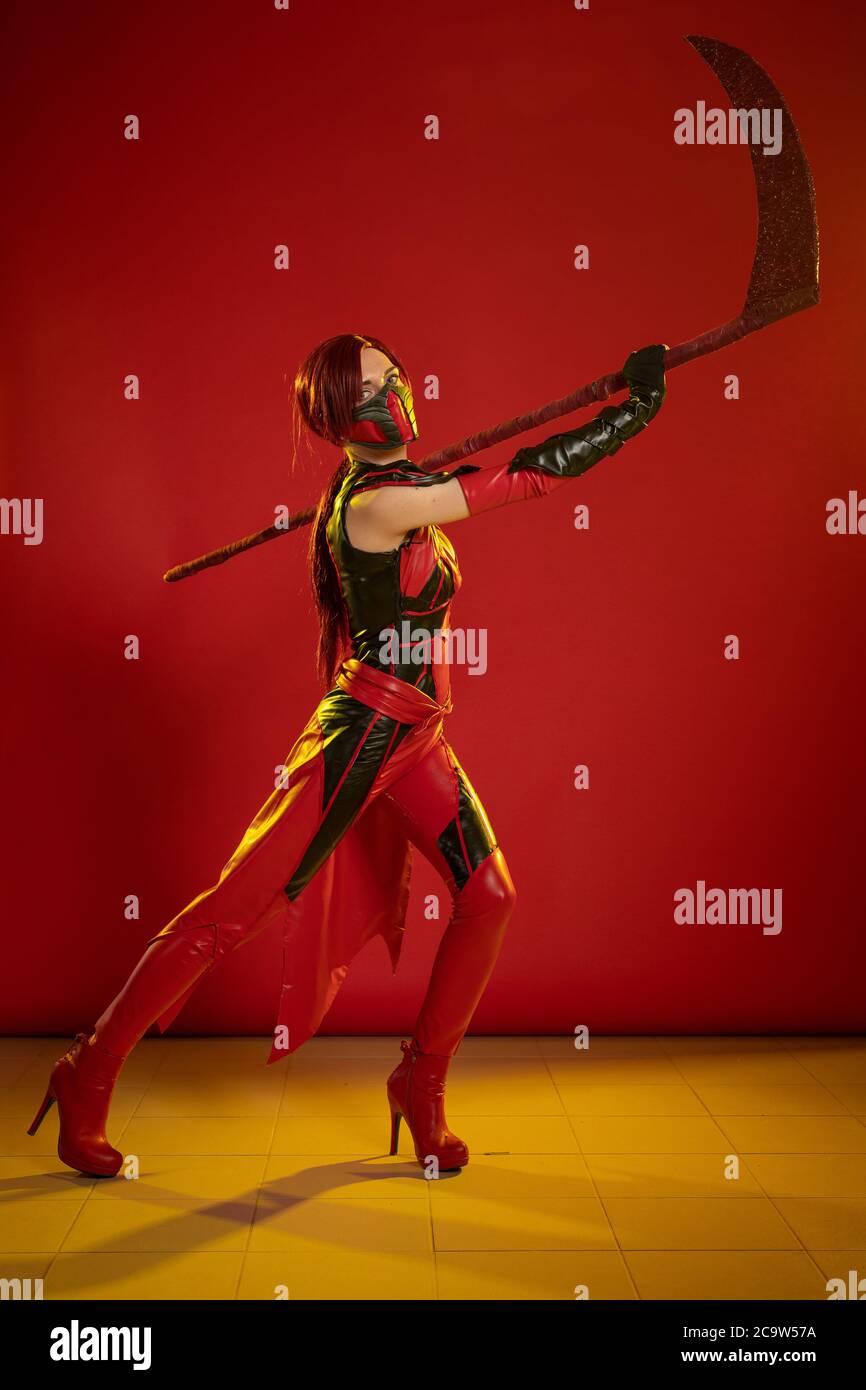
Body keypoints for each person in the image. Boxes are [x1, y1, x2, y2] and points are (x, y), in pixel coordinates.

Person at [27, 332, 667, 1177]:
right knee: (227, 916)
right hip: (361, 737)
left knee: (490, 895)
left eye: (394, 377)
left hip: (419, 734)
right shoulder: (377, 506)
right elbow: (528, 477)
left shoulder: (394, 489)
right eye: (368, 394)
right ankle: (89, 1070)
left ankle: (420, 1080)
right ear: (337, 421)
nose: (391, 397)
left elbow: (469, 484)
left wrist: (611, 397)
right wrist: (632, 414)